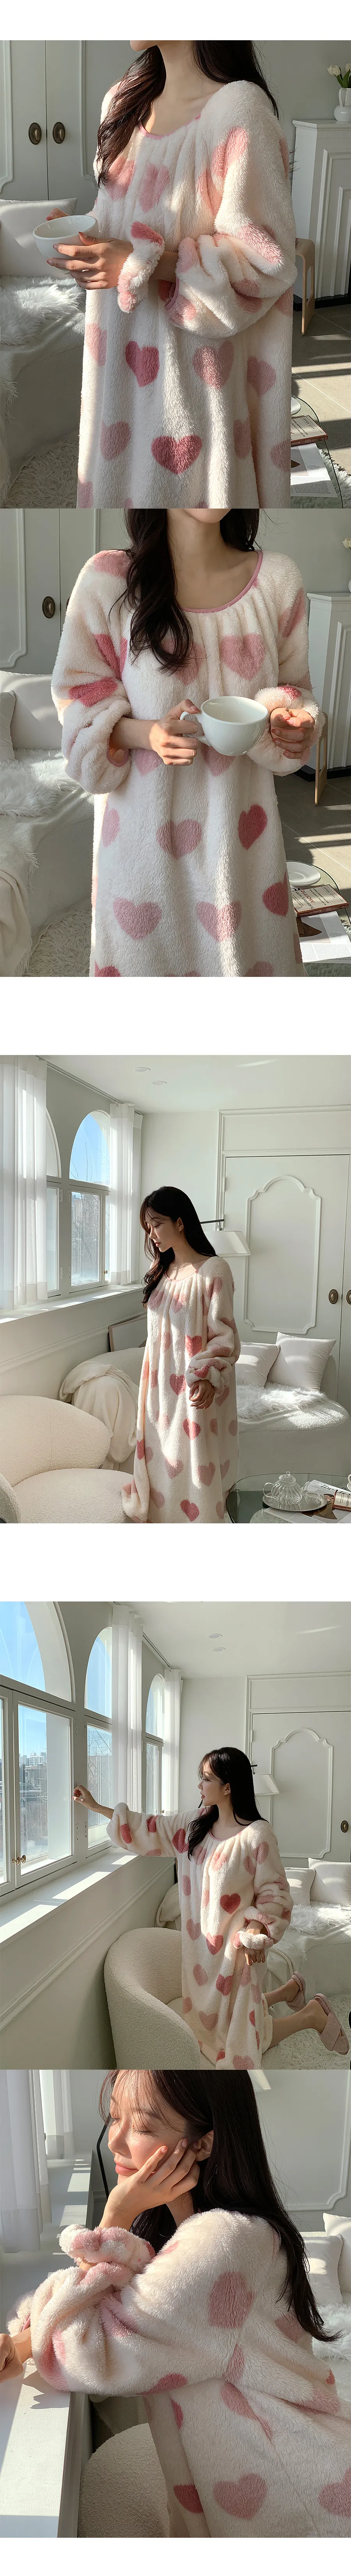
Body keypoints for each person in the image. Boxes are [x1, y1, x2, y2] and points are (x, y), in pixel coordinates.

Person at [2, 2069, 349, 2537]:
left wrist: (115, 2214)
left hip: (297, 2503)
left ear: (201, 2145)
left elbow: (81, 2354)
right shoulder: (198, 2231)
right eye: (114, 2117)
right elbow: (107, 2314)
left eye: (143, 2126)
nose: (116, 2141)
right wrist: (21, 2345)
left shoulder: (221, 2243)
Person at [51, 507, 319, 979]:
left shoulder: (278, 581)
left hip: (243, 852)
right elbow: (78, 704)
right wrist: (146, 733)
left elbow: (296, 690)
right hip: (143, 853)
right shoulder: (108, 581)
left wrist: (290, 721)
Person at [48, 41, 297, 510]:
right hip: (115, 373)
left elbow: (267, 262)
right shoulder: (123, 101)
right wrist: (88, 238)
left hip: (191, 386)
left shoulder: (239, 112)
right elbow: (125, 221)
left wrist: (143, 264)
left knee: (186, 511)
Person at [74, 1747, 349, 2064]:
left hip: (238, 1948)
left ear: (228, 1787)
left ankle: (312, 2016)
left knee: (237, 2041)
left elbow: (275, 1892)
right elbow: (149, 1827)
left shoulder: (257, 1835)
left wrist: (256, 1930)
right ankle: (289, 1991)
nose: (200, 1786)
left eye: (206, 1779)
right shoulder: (196, 1824)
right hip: (200, 1949)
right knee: (217, 2019)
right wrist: (96, 1807)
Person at [119, 1188, 240, 1522]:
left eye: (157, 1224)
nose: (152, 1234)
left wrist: (207, 1377)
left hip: (194, 1389)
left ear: (181, 1222)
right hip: (158, 1389)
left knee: (195, 1473)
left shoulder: (214, 1271)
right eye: (148, 1227)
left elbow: (225, 1337)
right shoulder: (162, 1271)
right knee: (160, 1466)